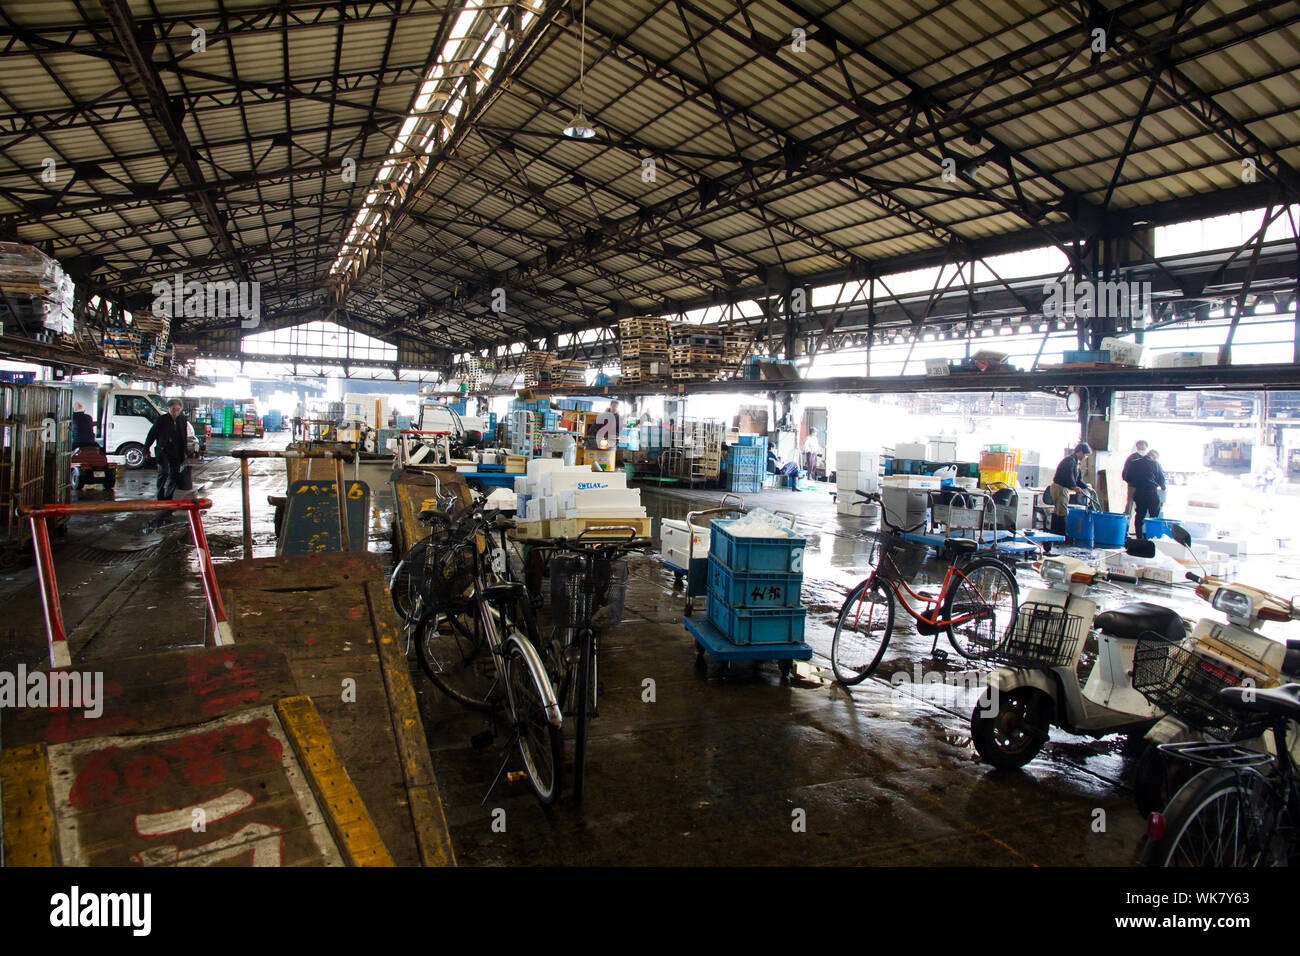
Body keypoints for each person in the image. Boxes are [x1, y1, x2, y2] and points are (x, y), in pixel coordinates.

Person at [143, 397, 192, 501]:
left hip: (177, 451)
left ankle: (169, 496)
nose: (176, 412)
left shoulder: (182, 419)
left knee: (174, 474)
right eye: (173, 409)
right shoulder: (162, 419)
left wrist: (185, 451)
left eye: (178, 410)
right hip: (164, 450)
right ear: (168, 409)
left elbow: (184, 435)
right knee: (163, 473)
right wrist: (146, 449)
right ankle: (160, 496)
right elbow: (152, 435)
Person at [1048, 441, 1092, 536]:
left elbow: (1078, 479)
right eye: (1085, 454)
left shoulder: (1076, 463)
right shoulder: (1069, 461)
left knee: (1059, 510)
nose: (1085, 457)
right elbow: (1069, 477)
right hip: (1060, 487)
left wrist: (1086, 487)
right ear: (1079, 452)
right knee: (1062, 511)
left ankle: (1055, 534)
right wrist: (1074, 487)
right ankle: (1061, 534)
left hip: (1064, 488)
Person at [1127, 448, 1166, 538]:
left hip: (1139, 491)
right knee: (1154, 516)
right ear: (1155, 457)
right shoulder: (1155, 463)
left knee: (1140, 514)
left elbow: (1128, 477)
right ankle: (1152, 537)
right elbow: (1161, 479)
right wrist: (1163, 488)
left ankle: (1139, 537)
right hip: (1151, 492)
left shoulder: (1134, 463)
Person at [1120, 439, 1149, 527]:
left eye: (1144, 446)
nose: (1142, 447)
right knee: (1130, 506)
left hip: (1145, 488)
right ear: (1137, 447)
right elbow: (1125, 473)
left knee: (1142, 508)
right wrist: (1131, 481)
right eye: (1140, 445)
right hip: (1133, 486)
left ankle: (1140, 530)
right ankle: (1125, 528)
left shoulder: (1148, 458)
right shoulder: (1132, 458)